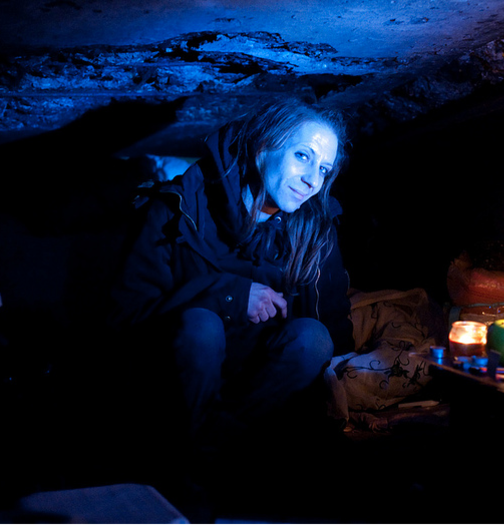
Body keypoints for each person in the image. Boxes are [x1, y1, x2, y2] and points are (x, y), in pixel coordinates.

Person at [108, 99, 354, 449]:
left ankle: (215, 447)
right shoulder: (177, 211)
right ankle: (196, 459)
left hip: (261, 390)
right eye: (303, 156)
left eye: (324, 169)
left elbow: (331, 326)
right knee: (201, 326)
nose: (313, 180)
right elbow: (124, 319)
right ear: (263, 148)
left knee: (313, 337)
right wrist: (227, 295)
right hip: (177, 378)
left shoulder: (314, 228)